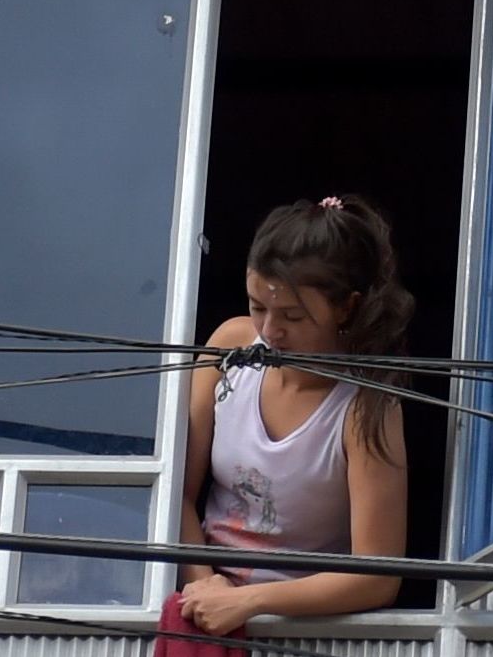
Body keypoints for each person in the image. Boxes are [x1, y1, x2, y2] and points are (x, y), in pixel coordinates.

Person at [176, 195, 411, 634]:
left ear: (347, 307)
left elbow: (377, 577)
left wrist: (247, 601)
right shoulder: (230, 347)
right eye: (257, 307)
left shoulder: (366, 409)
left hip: (299, 629)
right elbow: (176, 493)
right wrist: (205, 588)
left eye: (292, 316)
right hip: (200, 602)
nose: (269, 331)